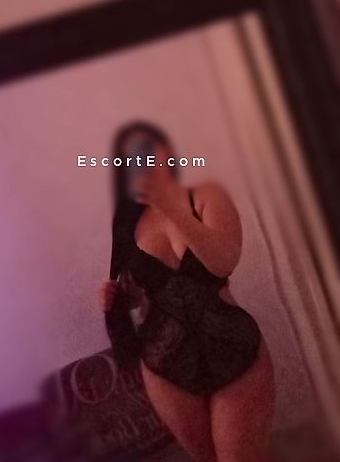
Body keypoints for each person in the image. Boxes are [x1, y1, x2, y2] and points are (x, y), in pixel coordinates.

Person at [98, 120, 275, 462]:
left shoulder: (207, 193)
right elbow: (141, 295)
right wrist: (115, 299)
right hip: (165, 363)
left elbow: (223, 262)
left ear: (167, 151)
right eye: (130, 158)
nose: (141, 161)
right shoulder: (128, 223)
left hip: (232, 347)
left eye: (147, 150)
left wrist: (171, 208)